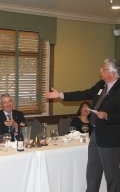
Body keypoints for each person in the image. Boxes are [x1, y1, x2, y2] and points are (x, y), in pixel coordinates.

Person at [46, 58, 120, 192]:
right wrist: (61, 95)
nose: (100, 70)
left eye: (103, 68)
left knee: (112, 176)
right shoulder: (101, 84)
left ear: (112, 73)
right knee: (92, 171)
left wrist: (107, 116)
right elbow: (84, 93)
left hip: (111, 139)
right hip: (96, 134)